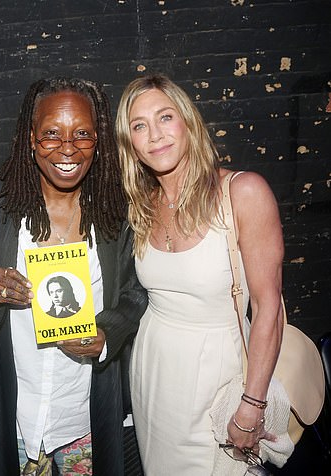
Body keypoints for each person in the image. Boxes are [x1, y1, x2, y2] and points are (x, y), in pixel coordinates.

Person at [0, 77, 148, 476]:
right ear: (31, 138)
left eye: (82, 134)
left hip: (82, 415)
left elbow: (134, 293)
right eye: (51, 134)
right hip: (18, 416)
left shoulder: (115, 212)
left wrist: (107, 335)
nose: (67, 148)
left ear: (99, 141)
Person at [116, 74, 284, 475]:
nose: (155, 134)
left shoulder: (242, 192)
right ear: (131, 144)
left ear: (188, 121)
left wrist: (253, 403)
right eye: (139, 126)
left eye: (165, 117)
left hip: (217, 377)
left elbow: (267, 308)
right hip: (152, 373)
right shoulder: (143, 204)